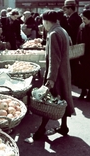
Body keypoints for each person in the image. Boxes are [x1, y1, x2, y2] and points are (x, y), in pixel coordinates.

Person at [30, 10, 75, 141]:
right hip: (64, 71)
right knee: (62, 99)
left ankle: (41, 129)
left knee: (49, 101)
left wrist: (51, 79)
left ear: (46, 21)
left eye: (43, 22)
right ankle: (64, 127)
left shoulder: (54, 34)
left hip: (57, 74)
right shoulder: (62, 30)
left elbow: (54, 59)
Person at [62, 0, 82, 84]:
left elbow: (71, 33)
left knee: (72, 63)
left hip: (73, 45)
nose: (65, 11)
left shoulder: (73, 19)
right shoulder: (74, 17)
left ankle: (72, 79)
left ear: (70, 8)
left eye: (66, 9)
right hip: (74, 44)